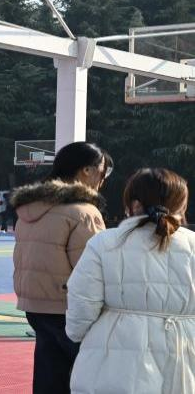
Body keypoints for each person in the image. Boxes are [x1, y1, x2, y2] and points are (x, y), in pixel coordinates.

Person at [66, 168, 194, 393]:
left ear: (133, 204)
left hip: (115, 357)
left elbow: (82, 305)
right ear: (181, 205)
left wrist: (77, 333)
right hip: (185, 354)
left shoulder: (104, 243)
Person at [12, 141, 111, 394]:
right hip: (69, 309)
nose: (103, 179)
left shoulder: (30, 207)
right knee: (87, 379)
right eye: (103, 171)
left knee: (49, 376)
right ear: (86, 171)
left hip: (34, 306)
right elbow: (93, 269)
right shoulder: (83, 212)